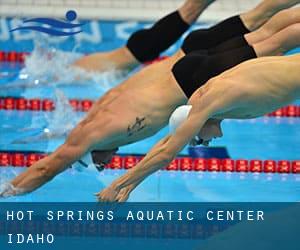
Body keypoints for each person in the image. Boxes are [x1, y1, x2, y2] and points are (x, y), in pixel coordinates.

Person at [1, 0, 300, 198]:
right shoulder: (100, 108)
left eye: (95, 162)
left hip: (192, 78)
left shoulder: (95, 133)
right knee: (270, 28)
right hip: (187, 55)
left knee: (276, 38)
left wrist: (8, 191)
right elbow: (67, 139)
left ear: (90, 150)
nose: (104, 165)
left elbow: (46, 167)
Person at [97, 53, 300, 202]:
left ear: (197, 124)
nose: (207, 143)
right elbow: (169, 141)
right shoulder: (200, 101)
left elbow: (167, 154)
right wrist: (130, 186)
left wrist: (116, 184)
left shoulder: (212, 100)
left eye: (199, 140)